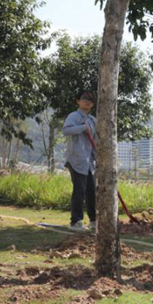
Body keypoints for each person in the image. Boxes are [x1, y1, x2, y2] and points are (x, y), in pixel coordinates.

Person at [62, 91, 97, 232]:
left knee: (91, 192)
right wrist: (82, 128)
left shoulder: (94, 120)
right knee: (79, 191)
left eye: (90, 100)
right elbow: (66, 130)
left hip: (89, 162)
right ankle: (75, 221)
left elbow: (95, 140)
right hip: (76, 160)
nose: (87, 102)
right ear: (78, 101)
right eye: (84, 99)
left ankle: (94, 221)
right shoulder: (74, 116)